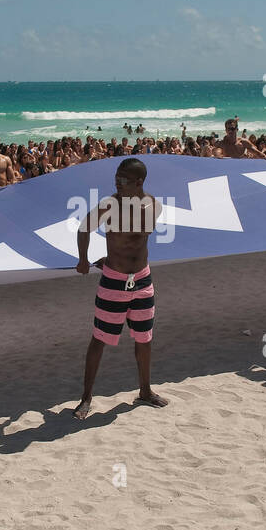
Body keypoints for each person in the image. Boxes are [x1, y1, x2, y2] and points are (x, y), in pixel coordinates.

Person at [73, 158, 167, 419]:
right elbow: (84, 228)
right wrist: (83, 259)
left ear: (139, 182)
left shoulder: (153, 206)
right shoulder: (109, 205)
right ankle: (86, 398)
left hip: (142, 281)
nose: (117, 182)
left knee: (144, 339)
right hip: (114, 282)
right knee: (99, 340)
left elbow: (137, 240)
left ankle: (145, 391)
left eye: (123, 179)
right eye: (116, 177)